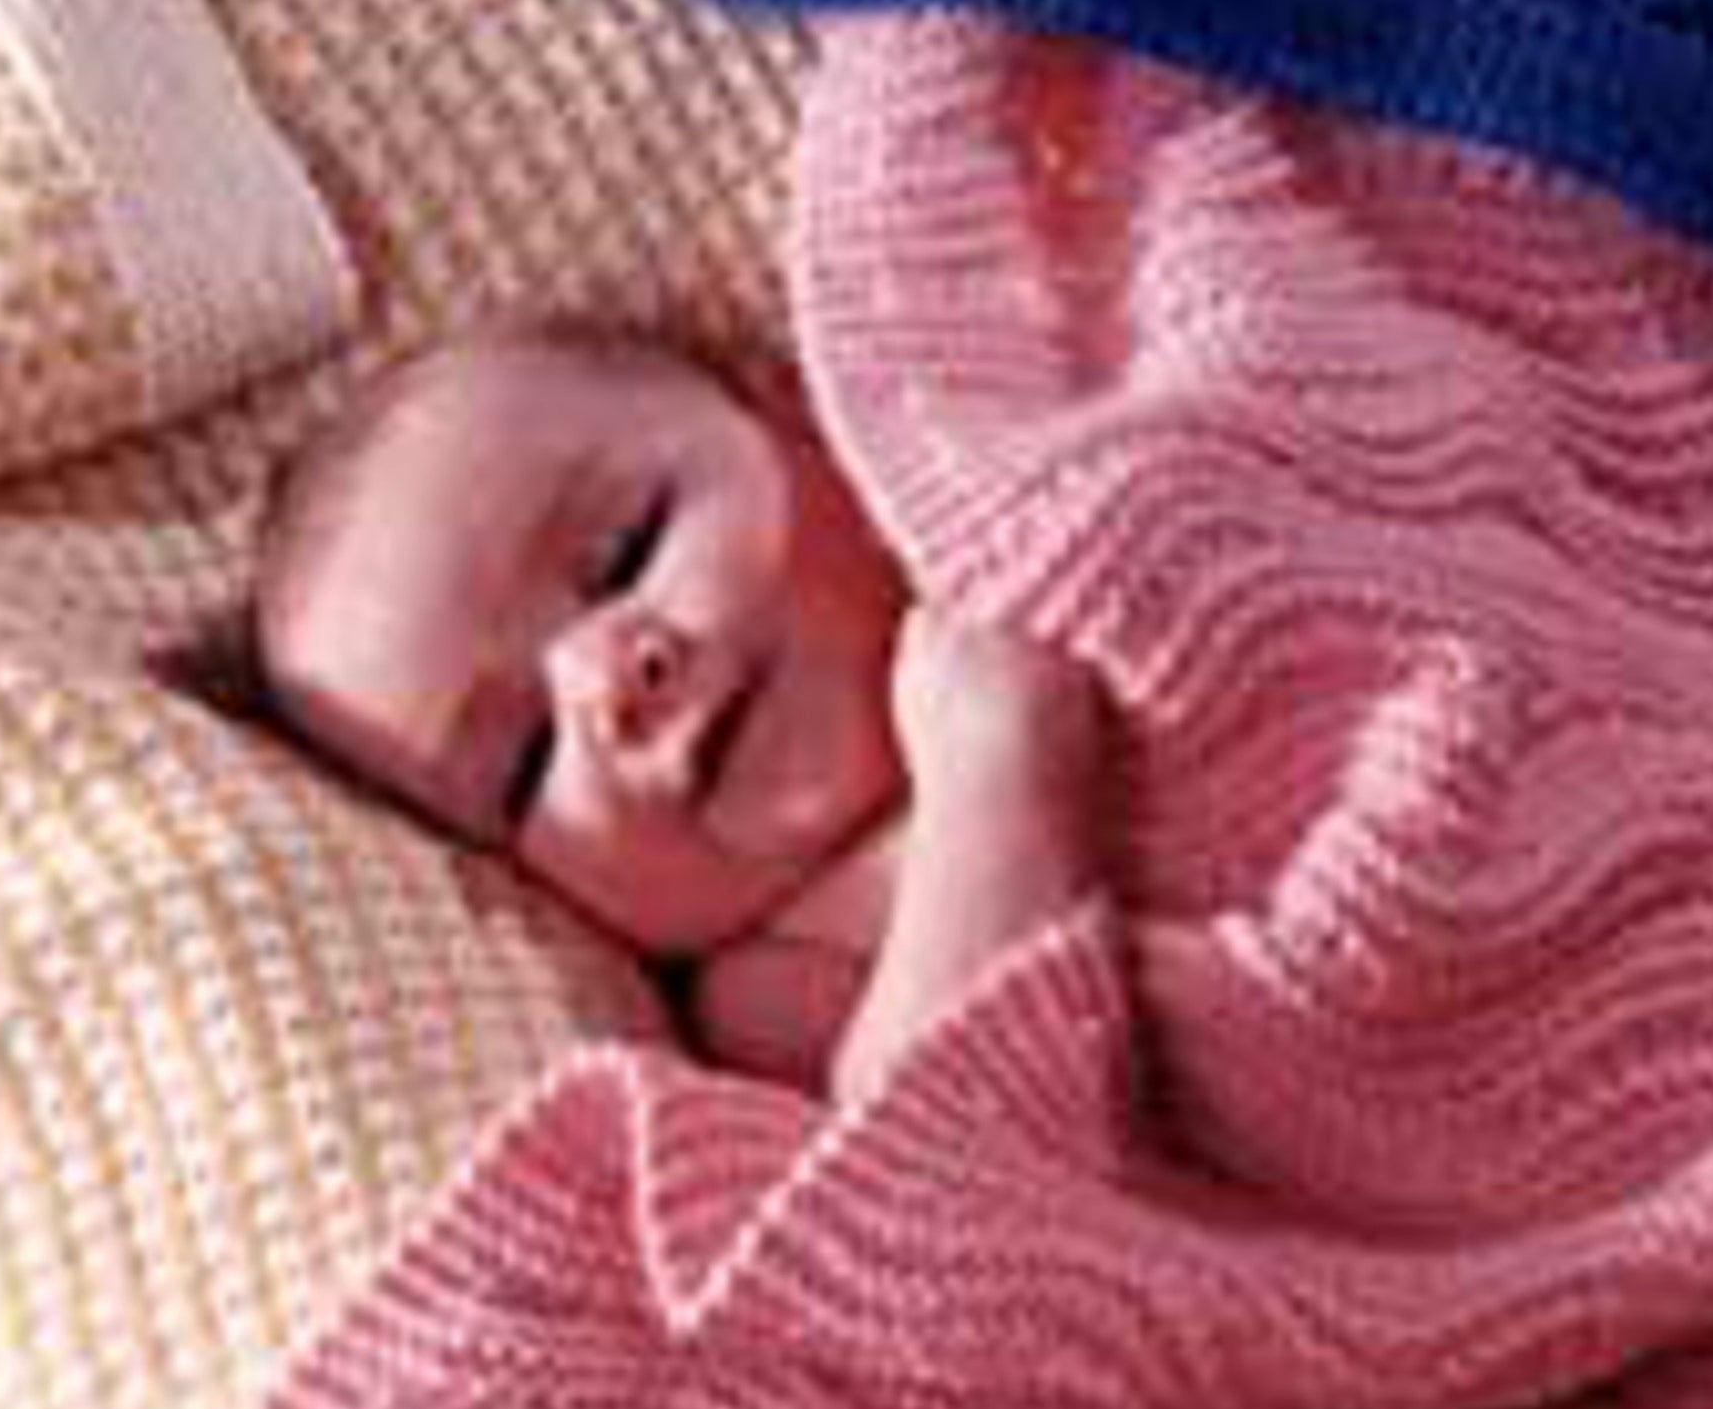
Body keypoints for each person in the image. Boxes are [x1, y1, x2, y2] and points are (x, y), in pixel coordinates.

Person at [252, 328, 1112, 1099]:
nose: (604, 692)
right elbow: (944, 1157)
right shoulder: (783, 979)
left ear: (796, 407)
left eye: (623, 552)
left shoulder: (1029, 474)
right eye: (526, 762)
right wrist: (998, 779)